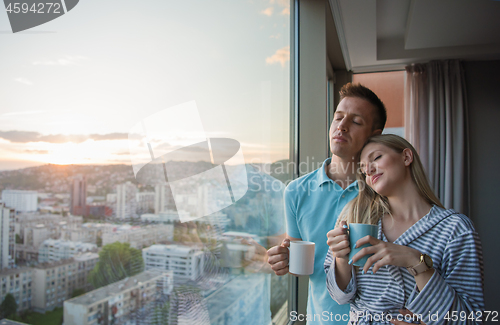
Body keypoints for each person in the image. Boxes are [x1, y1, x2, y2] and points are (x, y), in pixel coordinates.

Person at [325, 134, 484, 325]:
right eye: (363, 170)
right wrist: (341, 259)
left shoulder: (455, 229)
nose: (369, 169)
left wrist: (416, 262)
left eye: (376, 158)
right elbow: (339, 297)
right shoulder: (355, 217)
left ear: (406, 157)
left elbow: (470, 320)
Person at [267, 83, 387, 325]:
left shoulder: (384, 191)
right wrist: (284, 260)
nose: (341, 126)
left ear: (374, 135)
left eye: (355, 121)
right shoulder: (296, 192)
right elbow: (303, 262)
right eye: (338, 118)